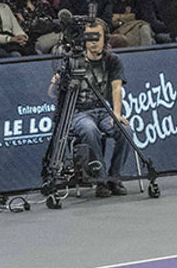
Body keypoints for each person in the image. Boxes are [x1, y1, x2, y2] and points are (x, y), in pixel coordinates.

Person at [51, 17, 129, 197]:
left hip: (103, 110)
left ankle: (114, 178)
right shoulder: (73, 61)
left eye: (97, 37)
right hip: (78, 112)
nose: (93, 43)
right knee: (89, 130)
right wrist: (58, 82)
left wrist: (116, 114)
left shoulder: (112, 60)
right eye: (89, 38)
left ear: (105, 38)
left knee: (125, 130)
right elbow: (53, 92)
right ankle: (100, 180)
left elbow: (116, 87)